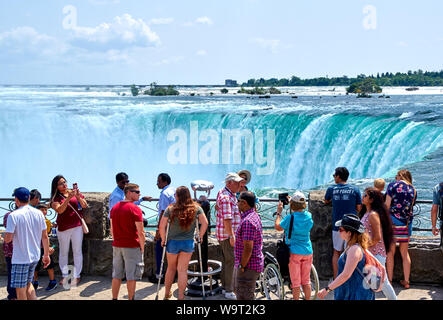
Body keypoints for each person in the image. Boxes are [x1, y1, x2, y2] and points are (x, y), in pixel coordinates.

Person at [159, 186, 208, 300]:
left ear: (178, 196)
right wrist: (200, 236)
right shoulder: (196, 208)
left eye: (175, 194)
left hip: (172, 243)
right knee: (182, 270)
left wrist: (163, 239)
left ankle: (167, 294)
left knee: (171, 268)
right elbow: (204, 223)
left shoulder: (170, 209)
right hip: (187, 243)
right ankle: (181, 297)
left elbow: (162, 226)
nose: (174, 196)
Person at [4, 187, 50, 300]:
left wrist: (4, 236)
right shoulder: (39, 214)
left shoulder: (13, 215)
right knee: (29, 284)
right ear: (29, 198)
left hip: (20, 258)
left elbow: (8, 239)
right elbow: (45, 236)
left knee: (20, 291)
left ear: (16, 200)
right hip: (35, 256)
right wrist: (46, 255)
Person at [317, 214, 374, 300]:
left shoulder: (354, 249)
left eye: (341, 229)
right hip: (351, 292)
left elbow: (346, 274)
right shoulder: (352, 247)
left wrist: (327, 289)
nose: (338, 231)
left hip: (355, 294)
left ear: (349, 233)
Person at [324, 167, 362, 279]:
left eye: (334, 176)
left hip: (338, 226)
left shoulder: (331, 189)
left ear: (338, 176)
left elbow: (326, 200)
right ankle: (349, 278)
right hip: (352, 226)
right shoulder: (355, 189)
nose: (334, 177)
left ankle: (337, 278)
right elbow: (359, 207)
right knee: (351, 252)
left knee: (336, 252)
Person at [50, 175, 88, 286]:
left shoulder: (74, 192)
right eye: (61, 183)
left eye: (64, 182)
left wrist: (77, 196)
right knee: (63, 252)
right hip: (63, 228)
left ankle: (77, 276)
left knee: (77, 251)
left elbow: (84, 205)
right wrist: (68, 198)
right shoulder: (55, 198)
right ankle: (65, 276)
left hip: (76, 226)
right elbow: (60, 210)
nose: (64, 184)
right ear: (56, 187)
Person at [275, 191, 313, 300]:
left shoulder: (290, 218)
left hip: (294, 252)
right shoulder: (309, 216)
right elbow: (300, 212)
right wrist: (294, 201)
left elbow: (278, 227)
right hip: (308, 251)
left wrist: (278, 213)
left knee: (296, 282)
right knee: (306, 281)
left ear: (292, 205)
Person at [110, 183, 146, 300]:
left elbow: (112, 230)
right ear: (129, 192)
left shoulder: (114, 208)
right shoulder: (135, 209)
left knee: (116, 275)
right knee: (131, 277)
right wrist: (142, 247)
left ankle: (114, 298)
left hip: (117, 245)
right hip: (131, 246)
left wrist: (117, 241)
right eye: (137, 192)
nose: (139, 194)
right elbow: (141, 232)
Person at [360, 187, 397, 300]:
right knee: (372, 283)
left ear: (371, 200)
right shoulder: (367, 213)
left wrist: (364, 246)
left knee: (382, 282)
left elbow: (377, 237)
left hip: (376, 254)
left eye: (365, 195)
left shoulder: (373, 215)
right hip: (371, 253)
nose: (362, 197)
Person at [385, 169, 416, 289]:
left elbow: (387, 205)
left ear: (400, 176)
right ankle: (406, 281)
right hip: (406, 223)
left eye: (396, 176)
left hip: (392, 223)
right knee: (404, 253)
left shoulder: (392, 186)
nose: (395, 178)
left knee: (390, 253)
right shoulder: (413, 189)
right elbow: (410, 207)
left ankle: (390, 281)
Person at [215, 172, 244, 300]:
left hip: (223, 234)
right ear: (229, 183)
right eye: (237, 182)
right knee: (230, 262)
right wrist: (232, 236)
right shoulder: (227, 198)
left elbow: (217, 207)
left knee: (226, 261)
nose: (240, 184)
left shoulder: (222, 192)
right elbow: (227, 219)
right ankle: (228, 290)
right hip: (227, 236)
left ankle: (225, 287)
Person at [234, 191, 264, 300]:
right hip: (250, 264)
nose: (237, 204)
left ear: (244, 203)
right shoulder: (253, 215)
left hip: (248, 266)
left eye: (238, 201)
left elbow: (248, 248)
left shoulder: (248, 221)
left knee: (244, 297)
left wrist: (242, 266)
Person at [151, 173, 175, 283]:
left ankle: (159, 276)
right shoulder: (173, 190)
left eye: (158, 181)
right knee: (172, 251)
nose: (157, 183)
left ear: (165, 182)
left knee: (159, 249)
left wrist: (158, 229)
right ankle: (172, 275)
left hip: (166, 226)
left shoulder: (164, 194)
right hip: (175, 226)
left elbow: (163, 212)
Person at [32, 203, 57, 292]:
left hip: (44, 246)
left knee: (49, 265)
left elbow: (47, 236)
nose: (44, 211)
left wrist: (49, 247)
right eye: (41, 209)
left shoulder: (47, 222)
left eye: (45, 210)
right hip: (35, 246)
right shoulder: (33, 221)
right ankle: (34, 281)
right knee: (35, 265)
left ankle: (52, 281)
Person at [3, 206, 16, 300]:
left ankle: (12, 295)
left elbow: (5, 226)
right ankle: (14, 295)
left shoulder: (8, 215)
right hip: (17, 250)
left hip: (10, 250)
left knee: (11, 273)